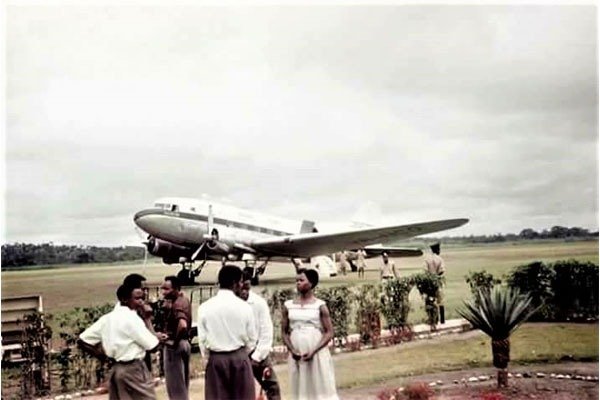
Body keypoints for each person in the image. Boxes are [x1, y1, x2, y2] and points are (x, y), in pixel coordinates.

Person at [78, 285, 165, 400]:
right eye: (137, 299)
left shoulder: (107, 318)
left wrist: (103, 357)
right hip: (133, 369)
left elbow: (83, 340)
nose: (141, 302)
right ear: (125, 299)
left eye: (142, 298)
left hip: (116, 369)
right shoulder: (132, 319)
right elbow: (153, 346)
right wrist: (147, 319)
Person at [197, 265, 257, 400]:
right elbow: (252, 339)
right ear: (236, 283)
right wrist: (241, 354)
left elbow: (202, 339)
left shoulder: (204, 308)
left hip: (216, 359)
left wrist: (209, 358)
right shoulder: (245, 307)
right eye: (241, 282)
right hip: (240, 357)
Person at [282, 268, 339, 400]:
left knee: (320, 383)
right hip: (297, 352)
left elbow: (329, 332)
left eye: (301, 280)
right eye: (296, 281)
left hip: (316, 350)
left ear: (311, 283)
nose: (298, 283)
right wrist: (292, 349)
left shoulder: (320, 306)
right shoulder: (288, 305)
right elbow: (284, 332)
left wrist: (314, 350)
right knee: (300, 384)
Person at [240, 268, 281, 400]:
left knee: (272, 386)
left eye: (247, 287)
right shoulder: (231, 304)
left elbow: (266, 332)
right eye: (242, 288)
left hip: (258, 352)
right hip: (239, 353)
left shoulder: (259, 303)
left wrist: (257, 357)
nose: (244, 292)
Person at [160, 276, 192, 400]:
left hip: (175, 346)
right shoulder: (184, 300)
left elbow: (182, 325)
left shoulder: (177, 304)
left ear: (176, 289)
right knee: (183, 384)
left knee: (175, 387)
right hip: (185, 343)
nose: (163, 292)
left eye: (167, 289)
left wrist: (174, 342)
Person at [424, 243, 446, 324]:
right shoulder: (440, 259)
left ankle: (433, 319)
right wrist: (436, 276)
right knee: (440, 301)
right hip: (437, 282)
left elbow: (425, 271)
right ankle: (442, 320)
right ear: (437, 250)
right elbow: (441, 271)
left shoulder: (427, 259)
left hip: (429, 283)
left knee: (430, 300)